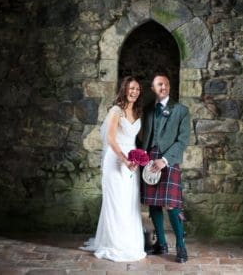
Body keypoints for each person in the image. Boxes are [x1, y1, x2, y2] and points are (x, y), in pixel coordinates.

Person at [80, 76, 146, 262]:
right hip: (116, 159)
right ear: (125, 89)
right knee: (116, 202)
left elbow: (134, 139)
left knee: (129, 202)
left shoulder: (138, 112)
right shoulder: (116, 110)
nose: (134, 92)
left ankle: (130, 242)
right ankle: (114, 244)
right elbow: (110, 138)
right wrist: (124, 159)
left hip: (132, 162)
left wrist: (136, 159)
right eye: (131, 88)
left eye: (138, 89)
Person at [140, 73, 191, 263]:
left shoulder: (181, 110)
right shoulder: (147, 110)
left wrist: (165, 160)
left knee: (172, 204)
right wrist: (141, 156)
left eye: (166, 84)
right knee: (153, 204)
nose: (164, 87)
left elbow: (183, 140)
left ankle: (180, 246)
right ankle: (161, 243)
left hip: (169, 159)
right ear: (153, 88)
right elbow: (142, 136)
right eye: (159, 84)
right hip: (149, 159)